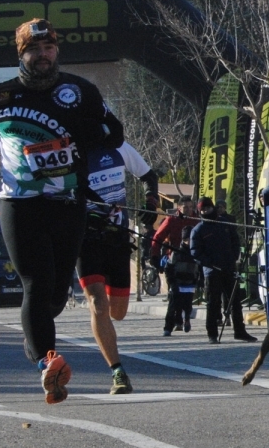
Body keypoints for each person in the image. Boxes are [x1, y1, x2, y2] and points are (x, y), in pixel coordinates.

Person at [0, 18, 123, 403]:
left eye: (49, 48)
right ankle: (48, 363)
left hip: (67, 203)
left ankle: (37, 342)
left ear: (57, 51)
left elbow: (114, 132)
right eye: (34, 50)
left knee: (55, 293)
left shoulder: (79, 90)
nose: (43, 56)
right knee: (35, 282)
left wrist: (88, 136)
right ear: (22, 54)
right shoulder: (0, 97)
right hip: (19, 204)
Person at [78, 140, 159, 394]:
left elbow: (148, 176)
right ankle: (118, 372)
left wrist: (150, 202)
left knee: (118, 312)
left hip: (117, 238)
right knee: (98, 304)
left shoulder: (118, 147)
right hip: (86, 240)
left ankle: (103, 323)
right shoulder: (69, 150)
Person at [190, 196, 255, 343]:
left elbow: (235, 242)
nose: (206, 211)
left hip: (229, 268)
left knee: (235, 302)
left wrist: (234, 257)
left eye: (208, 208)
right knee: (213, 304)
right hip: (212, 272)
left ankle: (240, 331)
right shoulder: (198, 230)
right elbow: (195, 253)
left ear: (213, 207)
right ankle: (212, 334)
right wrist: (210, 263)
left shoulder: (225, 224)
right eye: (203, 209)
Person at [151, 199, 200, 334]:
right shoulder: (171, 220)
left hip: (192, 261)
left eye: (190, 207)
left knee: (187, 296)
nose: (188, 210)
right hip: (175, 260)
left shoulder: (196, 220)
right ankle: (171, 323)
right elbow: (158, 237)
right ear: (179, 207)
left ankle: (182, 319)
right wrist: (154, 256)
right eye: (185, 207)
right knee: (175, 294)